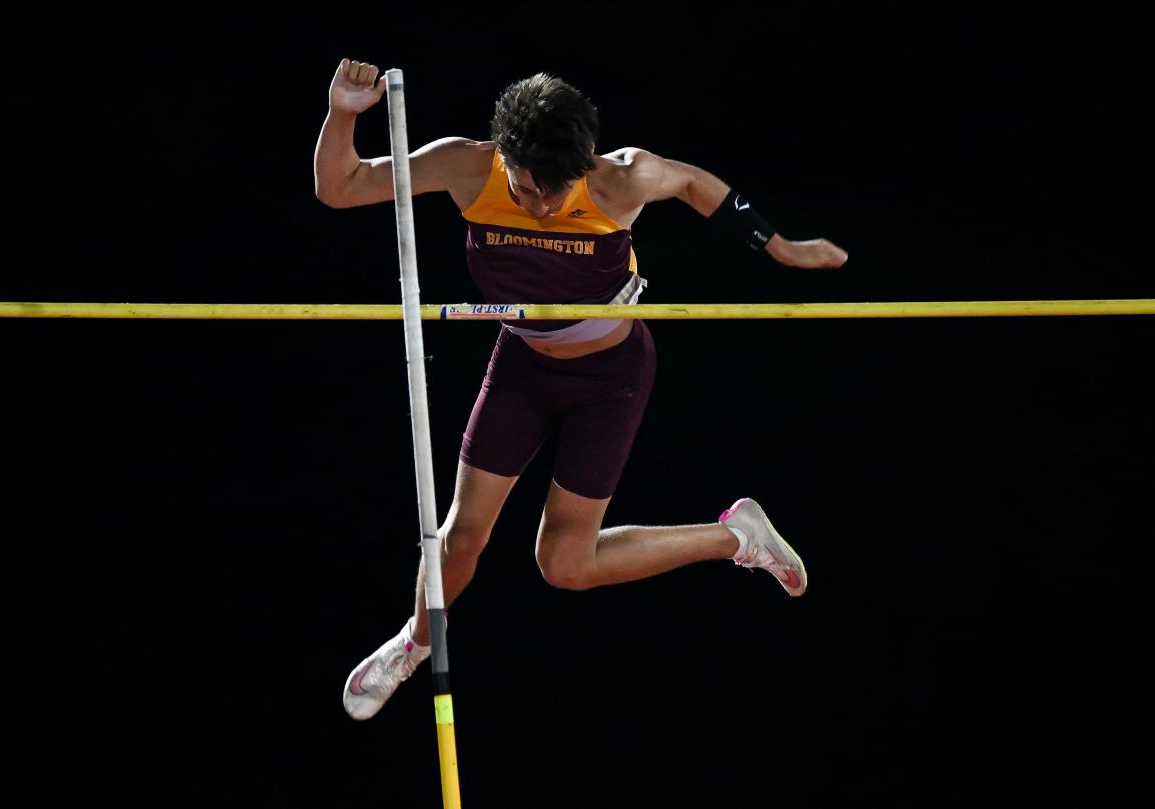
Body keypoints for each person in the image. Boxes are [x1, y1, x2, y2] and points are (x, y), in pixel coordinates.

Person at [315, 58, 848, 721]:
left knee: (564, 563)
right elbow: (342, 187)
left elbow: (692, 183)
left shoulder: (621, 177)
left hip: (608, 377)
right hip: (522, 363)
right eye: (529, 188)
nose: (542, 205)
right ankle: (414, 641)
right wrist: (342, 112)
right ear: (503, 154)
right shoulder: (467, 166)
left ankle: (734, 536)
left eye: (556, 191)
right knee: (458, 538)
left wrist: (781, 248)